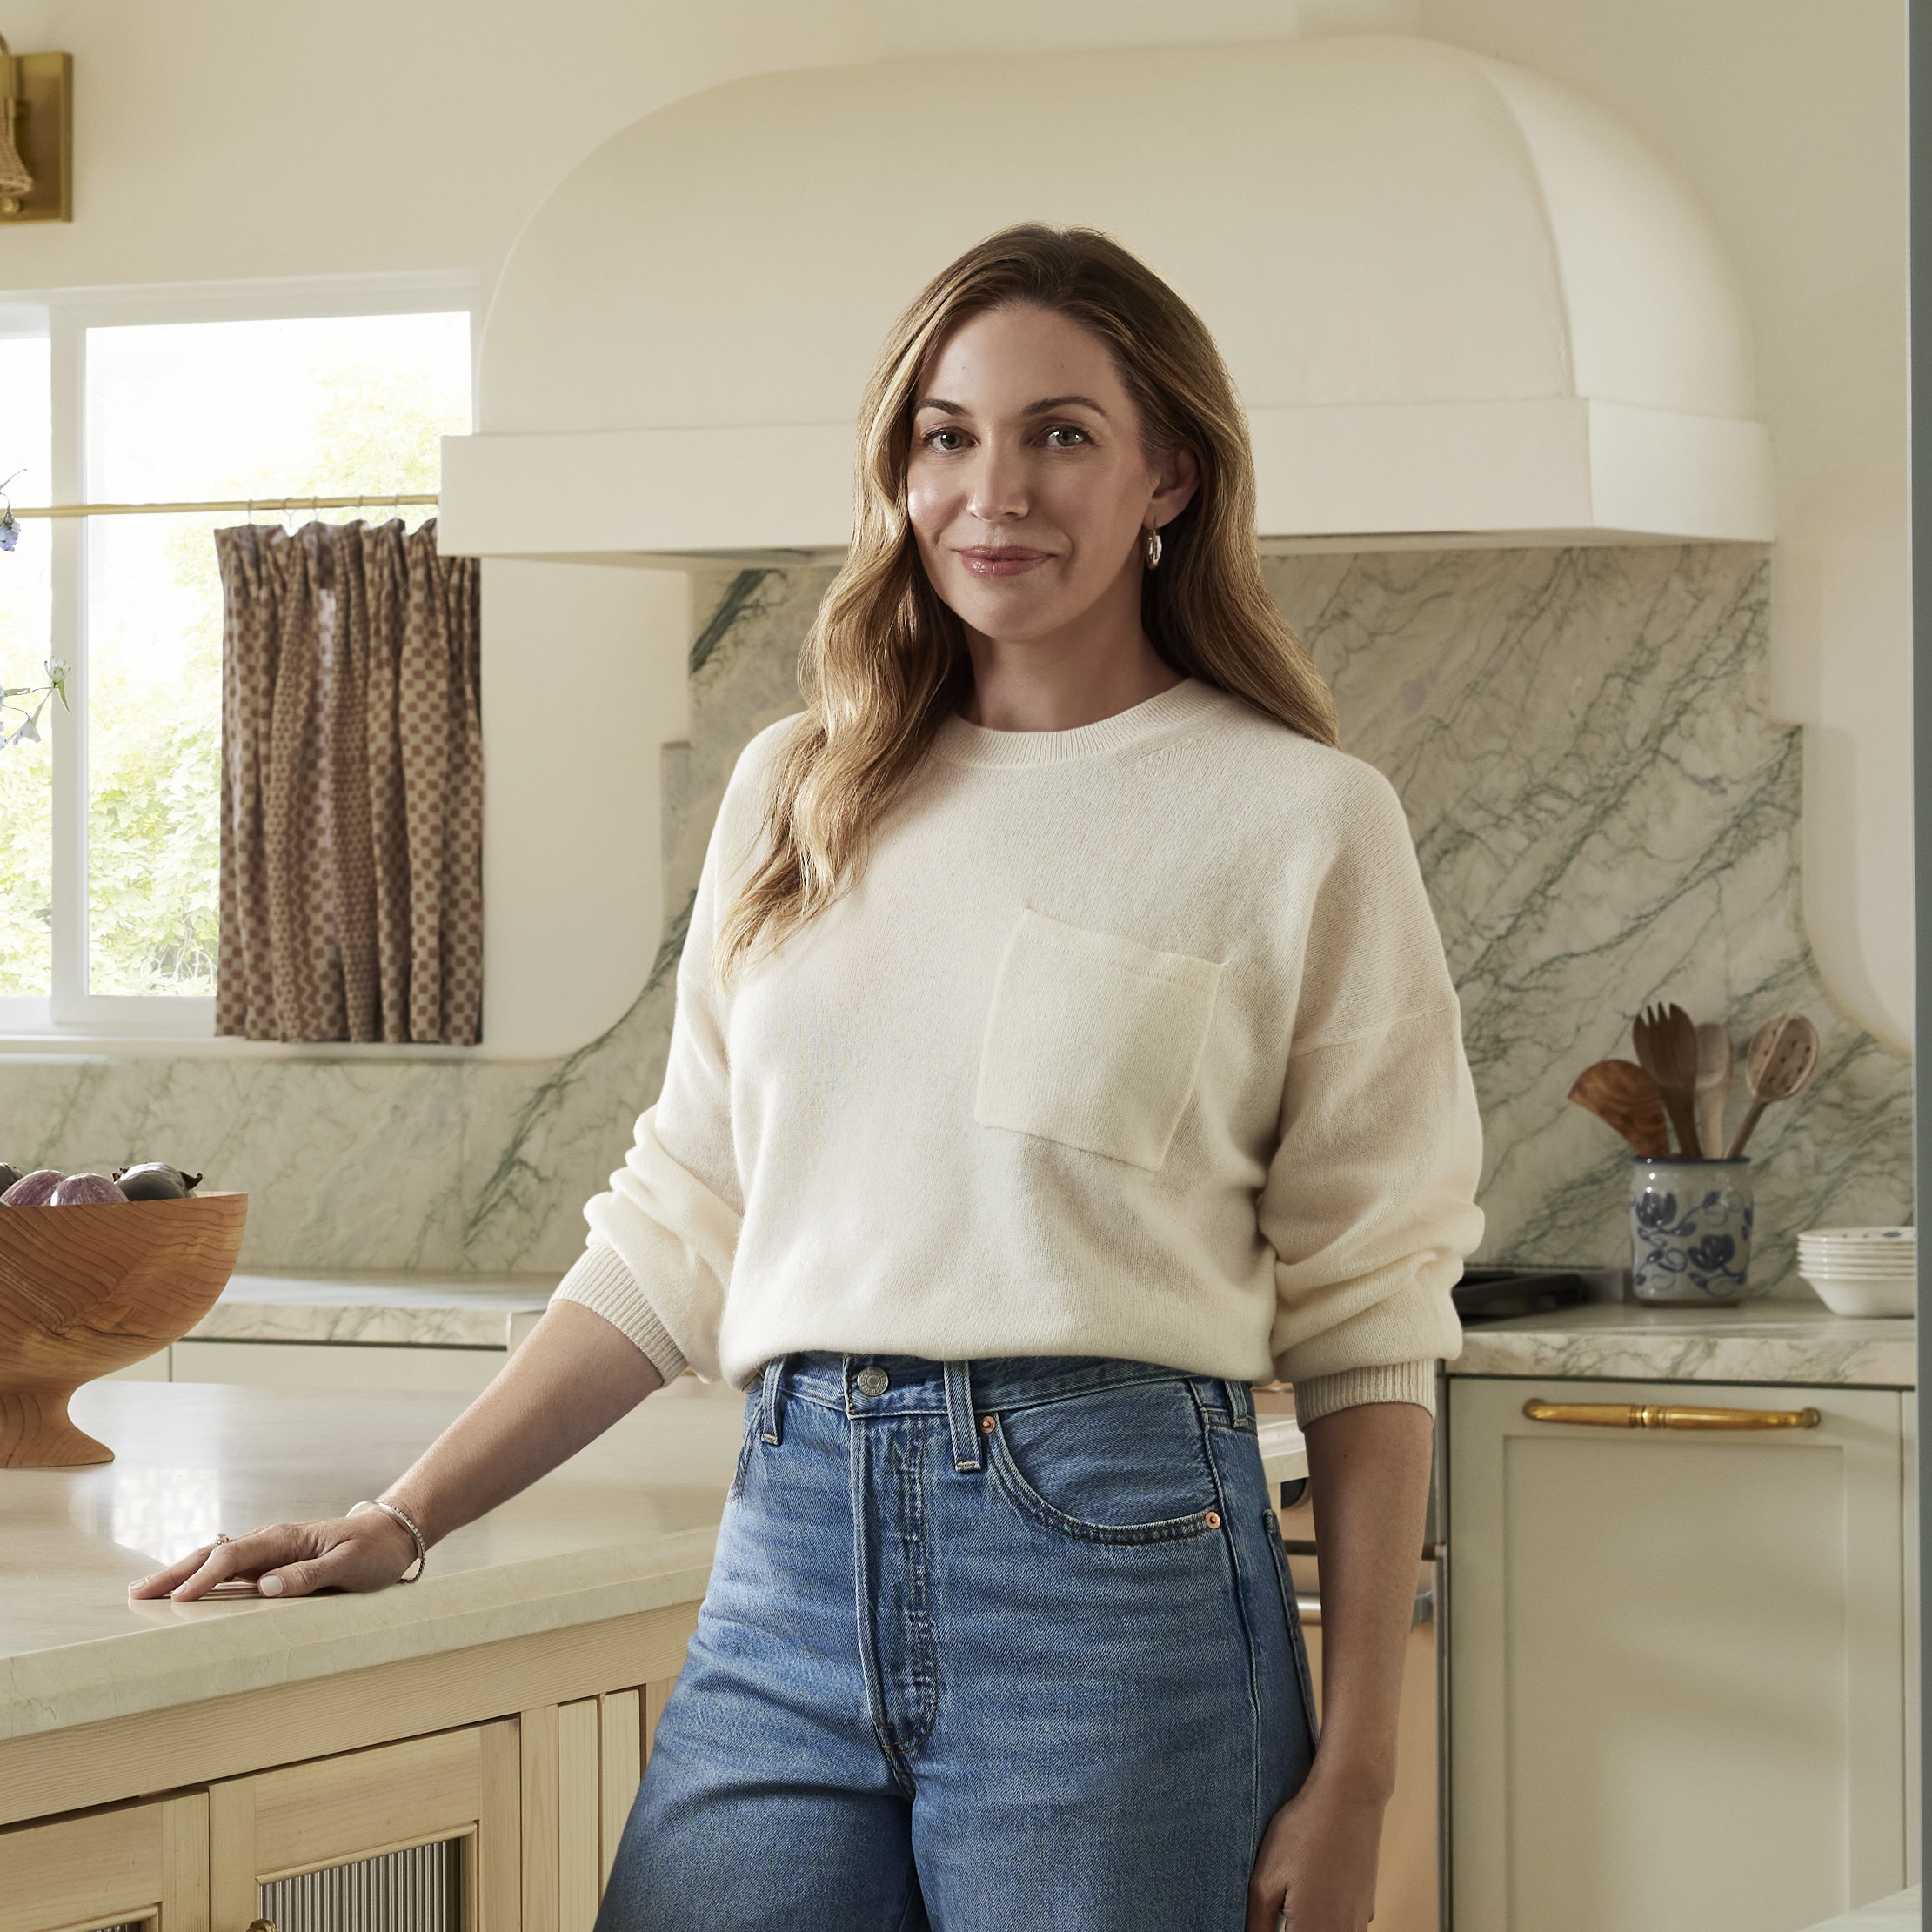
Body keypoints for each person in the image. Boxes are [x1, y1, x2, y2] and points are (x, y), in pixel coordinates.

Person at [135, 224, 1483, 1932]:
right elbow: (680, 1218)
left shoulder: (1294, 819)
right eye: (945, 433)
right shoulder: (797, 791)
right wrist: (402, 1517)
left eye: (1060, 433)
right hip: (783, 1557)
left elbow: (1372, 1317)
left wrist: (1355, 1765)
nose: (994, 487)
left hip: (1116, 1584)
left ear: (1168, 478)